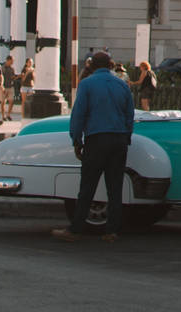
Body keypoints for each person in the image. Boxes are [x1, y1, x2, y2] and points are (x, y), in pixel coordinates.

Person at [51, 49, 135, 242]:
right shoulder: (122, 85)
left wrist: (76, 140)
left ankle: (75, 229)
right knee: (115, 188)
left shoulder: (87, 84)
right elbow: (129, 115)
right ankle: (112, 231)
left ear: (92, 66)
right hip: (119, 139)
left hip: (97, 139)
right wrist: (126, 137)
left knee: (87, 187)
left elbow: (79, 114)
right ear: (110, 65)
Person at [0, 56, 18, 124]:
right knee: (3, 102)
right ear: (8, 60)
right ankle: (3, 116)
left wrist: (17, 77)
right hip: (4, 87)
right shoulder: (2, 68)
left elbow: (12, 78)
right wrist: (1, 86)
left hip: (10, 86)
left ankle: (8, 115)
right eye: (12, 61)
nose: (12, 62)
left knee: (11, 101)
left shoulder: (12, 68)